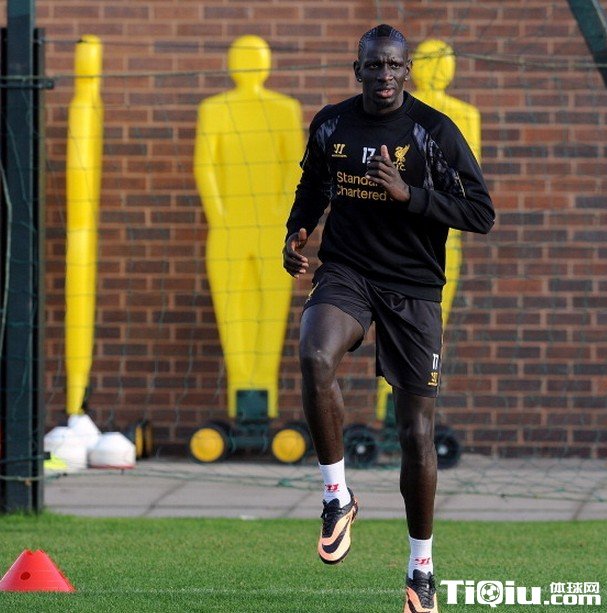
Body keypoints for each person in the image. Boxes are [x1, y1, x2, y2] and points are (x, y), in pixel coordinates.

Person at [282, 24, 494, 613]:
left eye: (393, 66)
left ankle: (420, 568)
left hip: (414, 288)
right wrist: (296, 232)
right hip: (347, 271)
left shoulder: (434, 132)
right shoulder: (332, 124)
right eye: (373, 66)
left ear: (407, 72)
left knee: (414, 435)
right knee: (314, 354)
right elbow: (312, 186)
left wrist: (410, 195)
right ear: (358, 70)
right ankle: (336, 496)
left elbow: (481, 213)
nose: (383, 76)